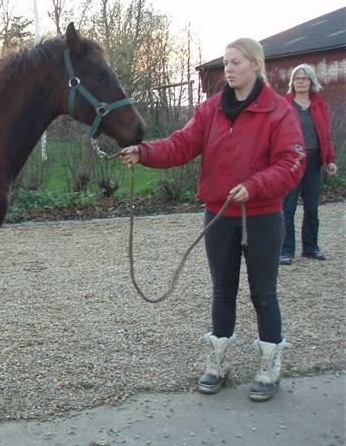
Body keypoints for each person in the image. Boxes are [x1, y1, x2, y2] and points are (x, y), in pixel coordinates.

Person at [119, 38, 305, 401]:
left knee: (263, 294)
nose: (229, 68)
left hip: (263, 216)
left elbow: (291, 162)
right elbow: (181, 144)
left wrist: (255, 185)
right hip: (219, 214)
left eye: (236, 62)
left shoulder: (278, 111)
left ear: (255, 65)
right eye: (226, 62)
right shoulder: (211, 110)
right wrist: (143, 152)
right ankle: (217, 362)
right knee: (222, 291)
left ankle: (269, 365)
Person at [279, 64, 338, 265]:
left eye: (305, 78)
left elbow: (325, 135)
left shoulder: (320, 104)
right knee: (288, 208)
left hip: (314, 162)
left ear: (311, 81)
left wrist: (330, 159)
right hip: (292, 162)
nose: (301, 81)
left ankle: (311, 248)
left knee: (312, 209)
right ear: (292, 82)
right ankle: (285, 251)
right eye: (297, 78)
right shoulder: (285, 104)